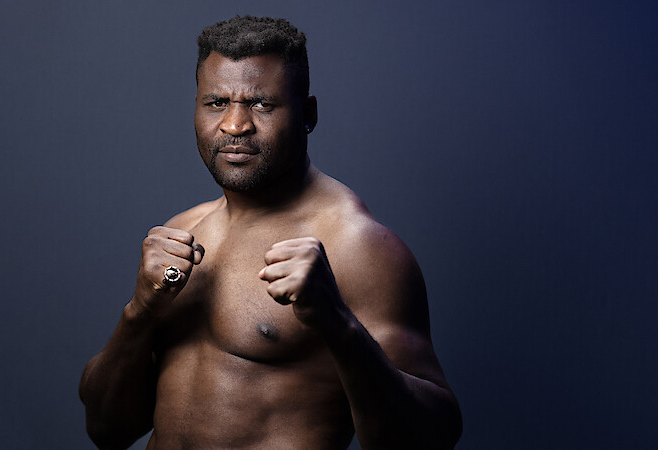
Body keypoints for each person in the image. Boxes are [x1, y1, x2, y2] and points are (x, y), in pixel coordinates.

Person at [79, 15, 461, 449]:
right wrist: (139, 312)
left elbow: (431, 437)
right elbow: (106, 429)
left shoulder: (355, 246)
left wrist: (338, 324)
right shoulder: (181, 232)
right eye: (217, 102)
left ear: (308, 115)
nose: (235, 125)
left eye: (262, 103)